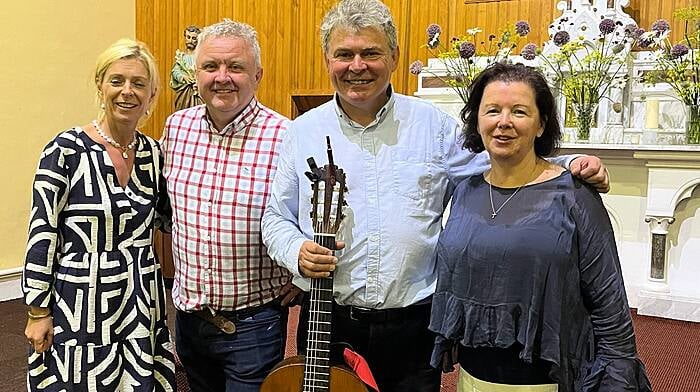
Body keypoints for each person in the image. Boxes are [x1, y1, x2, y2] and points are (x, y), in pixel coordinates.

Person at [261, 1, 609, 391]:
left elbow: (503, 162)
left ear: (393, 56)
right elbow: (276, 217)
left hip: (413, 325)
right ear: (328, 58)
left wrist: (570, 163)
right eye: (344, 54)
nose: (356, 66)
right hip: (328, 318)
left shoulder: (433, 127)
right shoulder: (301, 132)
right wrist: (295, 251)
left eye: (370, 53)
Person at [429, 62, 651, 391]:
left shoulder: (574, 195)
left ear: (541, 124)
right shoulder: (465, 191)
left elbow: (608, 301)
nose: (503, 122)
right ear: (477, 120)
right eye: (492, 110)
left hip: (546, 381)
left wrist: (617, 375)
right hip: (472, 378)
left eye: (519, 111)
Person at [23, 38, 175, 391]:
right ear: (100, 85)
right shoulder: (65, 149)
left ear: (152, 94)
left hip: (141, 295)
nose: (127, 92)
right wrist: (37, 311)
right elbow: (42, 231)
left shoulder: (154, 153)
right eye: (117, 80)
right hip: (80, 299)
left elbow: (169, 218)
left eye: (139, 83)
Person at [161, 19, 299, 392]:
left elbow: (313, 214)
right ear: (196, 73)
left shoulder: (286, 136)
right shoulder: (176, 128)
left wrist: (301, 278)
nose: (222, 77)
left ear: (257, 74)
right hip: (189, 318)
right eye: (211, 66)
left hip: (255, 324)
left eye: (235, 67)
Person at [170, 25, 204, 111]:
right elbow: (175, 71)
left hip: (198, 91)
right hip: (184, 91)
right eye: (188, 37)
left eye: (194, 38)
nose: (190, 40)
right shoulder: (181, 57)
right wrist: (183, 77)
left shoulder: (201, 56)